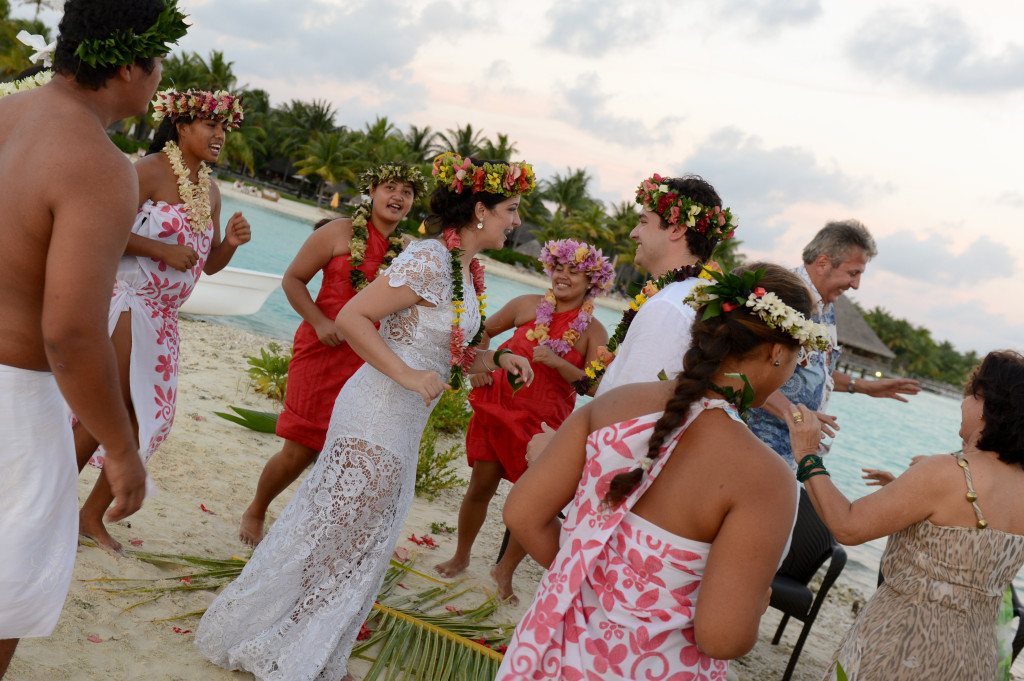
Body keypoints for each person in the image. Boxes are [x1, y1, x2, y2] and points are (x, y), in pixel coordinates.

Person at [195, 153, 537, 681]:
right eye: (510, 209)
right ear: (479, 211)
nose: (515, 222)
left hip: (404, 421)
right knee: (334, 529)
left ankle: (307, 647)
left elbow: (456, 347)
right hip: (374, 411)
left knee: (363, 538)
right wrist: (404, 374)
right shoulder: (427, 258)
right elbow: (354, 316)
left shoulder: (466, 270)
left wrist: (496, 357)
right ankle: (271, 640)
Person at [496, 265, 830, 680]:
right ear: (778, 352)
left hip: (553, 656)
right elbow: (722, 637)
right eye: (800, 356)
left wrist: (588, 584)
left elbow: (522, 515)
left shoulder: (613, 405)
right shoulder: (767, 478)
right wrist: (757, 599)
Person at [0, 0, 187, 675]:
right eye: (160, 63)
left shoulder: (7, 114)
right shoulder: (99, 162)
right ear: (132, 63)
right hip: (14, 408)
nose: (160, 81)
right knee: (3, 594)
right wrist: (120, 446)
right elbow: (72, 334)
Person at [72, 88, 251, 556]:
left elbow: (206, 265)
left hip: (165, 317)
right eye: (210, 125)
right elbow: (100, 227)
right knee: (109, 404)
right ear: (181, 127)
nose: (219, 135)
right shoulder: (147, 170)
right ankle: (52, 501)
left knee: (146, 416)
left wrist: (228, 243)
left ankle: (89, 515)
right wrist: (160, 249)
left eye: (224, 127)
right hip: (129, 300)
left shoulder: (209, 191)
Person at [789, 350, 1024, 680]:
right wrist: (906, 496)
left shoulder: (946, 472)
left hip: (902, 647)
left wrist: (806, 454)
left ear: (988, 406)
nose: (962, 403)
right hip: (976, 658)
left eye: (970, 393)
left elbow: (848, 526)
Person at [237, 163, 426, 547]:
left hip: (367, 362)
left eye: (406, 192)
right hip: (323, 349)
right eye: (390, 187)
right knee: (299, 450)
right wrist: (320, 322)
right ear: (371, 192)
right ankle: (256, 509)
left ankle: (312, 531)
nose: (398, 197)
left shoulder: (409, 252)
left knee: (342, 454)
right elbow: (293, 280)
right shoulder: (337, 232)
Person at [434, 239, 614, 603]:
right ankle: (462, 554)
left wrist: (559, 362)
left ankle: (505, 570)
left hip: (543, 428)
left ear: (591, 281)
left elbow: (595, 386)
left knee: (532, 503)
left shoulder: (593, 331)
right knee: (480, 488)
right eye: (559, 268)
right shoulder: (526, 306)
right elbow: (481, 332)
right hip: (497, 408)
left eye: (573, 272)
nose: (563, 276)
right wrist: (480, 367)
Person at [528, 173, 737, 456]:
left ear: (675, 229)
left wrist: (559, 452)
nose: (633, 233)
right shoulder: (696, 294)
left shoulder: (669, 307)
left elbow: (632, 417)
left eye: (643, 221)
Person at [747, 219, 921, 470]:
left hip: (789, 454)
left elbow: (814, 371)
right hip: (757, 446)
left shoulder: (826, 307)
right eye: (853, 273)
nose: (856, 285)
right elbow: (748, 371)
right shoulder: (782, 295)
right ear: (823, 263)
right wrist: (796, 416)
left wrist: (863, 386)